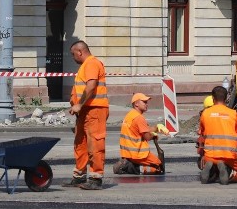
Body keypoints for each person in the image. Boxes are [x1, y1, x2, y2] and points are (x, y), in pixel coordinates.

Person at [65, 40, 108, 190]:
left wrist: (79, 104)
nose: (72, 57)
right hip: (84, 111)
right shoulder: (84, 66)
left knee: (94, 143)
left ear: (80, 52)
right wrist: (75, 104)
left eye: (72, 54)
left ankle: (96, 178)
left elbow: (91, 85)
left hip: (95, 110)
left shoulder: (91, 63)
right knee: (80, 143)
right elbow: (80, 89)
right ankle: (79, 176)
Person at [197, 86, 237, 185]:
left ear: (213, 98)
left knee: (209, 159)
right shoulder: (233, 113)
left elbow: (202, 133)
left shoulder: (205, 113)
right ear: (226, 98)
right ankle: (228, 171)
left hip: (210, 154)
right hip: (228, 155)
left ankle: (211, 170)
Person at [113, 93, 165, 176]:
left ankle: (129, 163)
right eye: (144, 102)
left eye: (147, 102)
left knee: (156, 166)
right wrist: (154, 135)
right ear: (136, 104)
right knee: (159, 167)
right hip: (138, 154)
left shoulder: (130, 115)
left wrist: (157, 127)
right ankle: (129, 167)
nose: (146, 104)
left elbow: (144, 129)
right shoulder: (139, 118)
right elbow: (147, 136)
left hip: (127, 153)